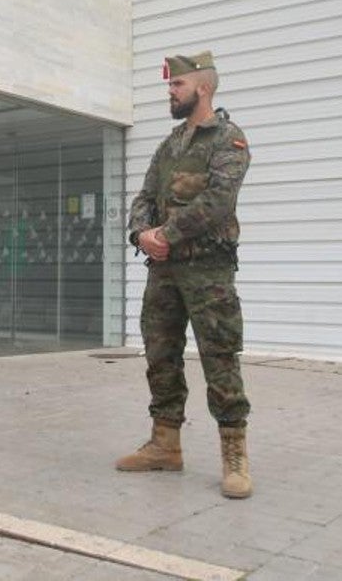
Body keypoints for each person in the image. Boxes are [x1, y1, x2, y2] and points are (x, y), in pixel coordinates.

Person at [118, 50, 253, 499]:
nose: (170, 93)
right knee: (160, 353)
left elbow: (218, 202)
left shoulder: (228, 139)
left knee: (219, 356)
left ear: (203, 87)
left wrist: (166, 234)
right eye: (169, 86)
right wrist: (141, 235)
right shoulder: (170, 145)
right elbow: (143, 196)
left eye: (177, 86)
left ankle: (234, 454)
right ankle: (165, 444)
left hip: (208, 271)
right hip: (164, 272)